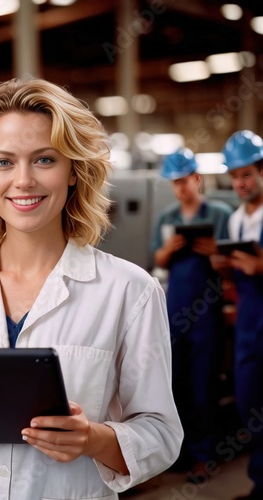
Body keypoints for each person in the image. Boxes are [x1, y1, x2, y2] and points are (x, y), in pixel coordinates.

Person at [0, 78, 183, 499]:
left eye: (44, 160)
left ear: (73, 172)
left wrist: (93, 439)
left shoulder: (130, 292)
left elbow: (161, 434)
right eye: (4, 162)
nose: (23, 180)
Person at [150, 148, 232, 480]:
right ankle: (177, 453)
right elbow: (156, 261)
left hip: (206, 314)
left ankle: (204, 455)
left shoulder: (219, 215)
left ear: (197, 179)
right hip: (174, 312)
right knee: (175, 384)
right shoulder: (167, 219)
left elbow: (230, 263)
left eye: (185, 180)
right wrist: (167, 251)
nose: (181, 188)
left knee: (203, 384)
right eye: (175, 182)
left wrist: (216, 254)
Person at [216, 130, 263, 500]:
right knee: (249, 399)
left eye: (246, 174)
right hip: (249, 322)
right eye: (234, 176)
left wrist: (258, 266)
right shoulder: (234, 221)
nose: (240, 183)